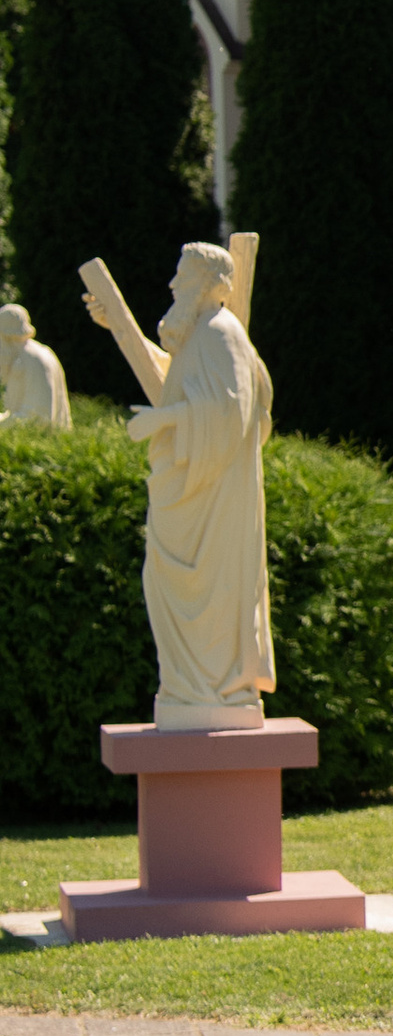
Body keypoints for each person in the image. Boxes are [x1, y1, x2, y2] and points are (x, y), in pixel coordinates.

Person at [81, 240, 275, 724]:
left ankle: (214, 690)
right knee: (165, 581)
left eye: (183, 277)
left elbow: (231, 413)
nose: (172, 284)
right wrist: (117, 328)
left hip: (212, 500)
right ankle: (192, 689)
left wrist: (163, 424)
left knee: (195, 590)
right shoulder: (203, 334)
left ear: (214, 284)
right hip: (192, 495)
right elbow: (174, 380)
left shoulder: (222, 332)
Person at [0, 302, 69, 427]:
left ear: (8, 336)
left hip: (43, 440)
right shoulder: (26, 355)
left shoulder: (34, 360)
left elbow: (38, 418)